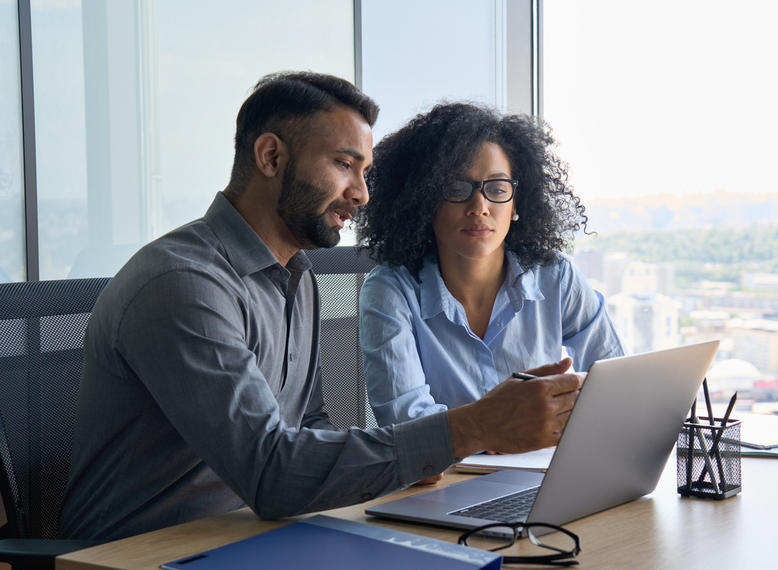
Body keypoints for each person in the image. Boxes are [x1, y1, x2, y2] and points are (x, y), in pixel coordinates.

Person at [58, 72, 581, 541]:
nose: (362, 194)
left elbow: (308, 425)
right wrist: (471, 428)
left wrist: (409, 455)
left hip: (259, 535)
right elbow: (271, 472)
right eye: (344, 165)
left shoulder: (297, 276)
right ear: (271, 157)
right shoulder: (184, 284)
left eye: (365, 171)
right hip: (145, 552)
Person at [355, 103, 623, 431]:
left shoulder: (556, 276)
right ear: (424, 201)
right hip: (445, 477)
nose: (479, 207)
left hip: (546, 470)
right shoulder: (390, 291)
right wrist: (500, 429)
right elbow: (406, 423)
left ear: (515, 204)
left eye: (496, 189)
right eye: (456, 188)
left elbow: (614, 383)